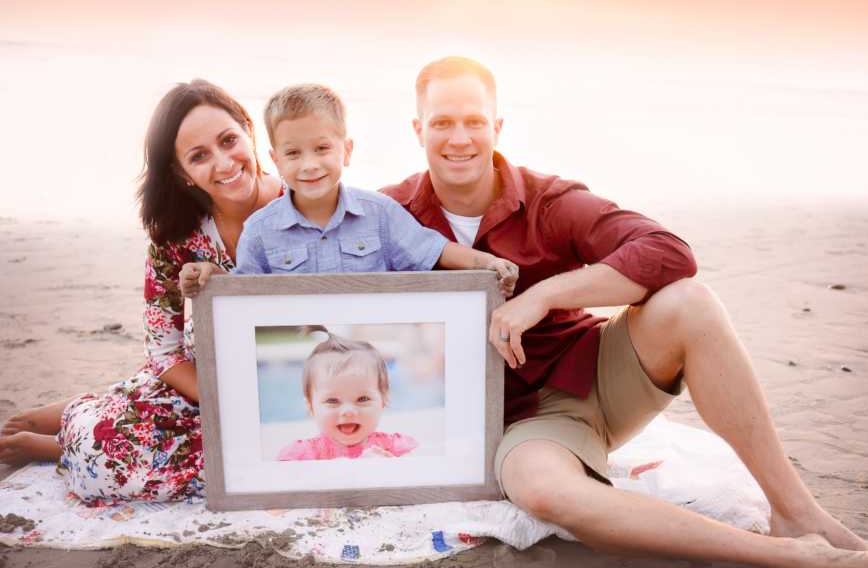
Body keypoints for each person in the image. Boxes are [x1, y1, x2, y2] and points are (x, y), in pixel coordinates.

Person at [381, 56, 868, 568]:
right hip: (525, 424)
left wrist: (546, 294)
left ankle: (796, 513)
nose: (460, 138)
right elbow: (305, 246)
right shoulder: (385, 213)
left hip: (595, 378)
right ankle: (784, 555)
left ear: (496, 126)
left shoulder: (547, 201)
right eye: (442, 122)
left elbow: (668, 251)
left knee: (688, 302)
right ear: (417, 128)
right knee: (540, 490)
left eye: (474, 121)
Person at [0, 80, 283, 501]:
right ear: (181, 173)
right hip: (205, 381)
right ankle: (75, 432)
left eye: (228, 140)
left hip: (290, 379)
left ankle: (64, 434)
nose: (224, 163)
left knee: (267, 462)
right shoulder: (177, 237)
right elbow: (164, 349)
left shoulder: (306, 202)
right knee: (107, 455)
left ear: (248, 130)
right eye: (199, 156)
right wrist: (224, 401)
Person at [179, 83, 518, 296]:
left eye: (322, 149)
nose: (309, 165)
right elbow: (241, 299)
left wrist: (485, 261)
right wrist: (212, 276)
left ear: (347, 150)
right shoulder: (260, 230)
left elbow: (433, 250)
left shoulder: (380, 213)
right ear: (276, 160)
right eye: (294, 153)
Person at [276, 326, 417, 461]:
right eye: (332, 401)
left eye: (362, 399)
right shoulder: (305, 454)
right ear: (311, 407)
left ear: (383, 400)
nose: (348, 411)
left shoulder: (393, 447)